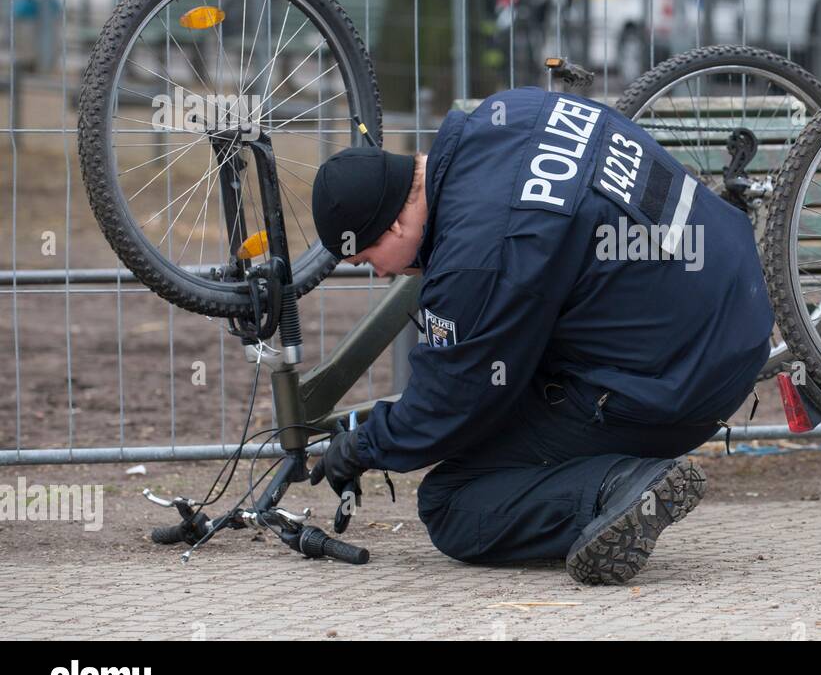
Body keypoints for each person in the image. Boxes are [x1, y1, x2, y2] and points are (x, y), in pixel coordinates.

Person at [308, 86, 773, 583]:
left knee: (454, 502)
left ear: (395, 226)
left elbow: (450, 403)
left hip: (681, 378)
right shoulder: (510, 113)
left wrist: (364, 445)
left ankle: (616, 487)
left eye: (366, 260)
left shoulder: (477, 256)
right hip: (734, 301)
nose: (378, 275)